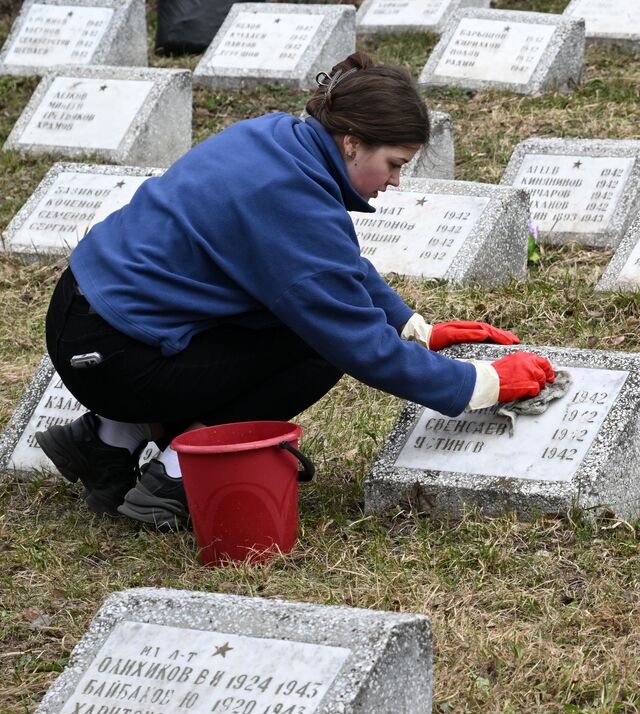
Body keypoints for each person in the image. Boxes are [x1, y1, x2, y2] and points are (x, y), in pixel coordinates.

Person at [35, 52, 555, 530]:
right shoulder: (292, 197)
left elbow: (329, 262)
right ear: (352, 142)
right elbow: (359, 344)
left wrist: (413, 327)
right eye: (394, 163)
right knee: (315, 346)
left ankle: (106, 442)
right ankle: (176, 476)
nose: (396, 181)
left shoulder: (276, 139)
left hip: (84, 318)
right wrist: (482, 383)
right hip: (121, 354)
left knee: (293, 320)